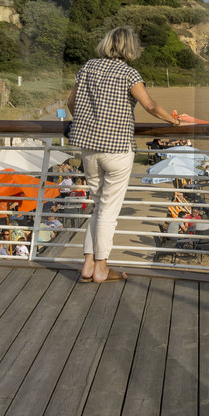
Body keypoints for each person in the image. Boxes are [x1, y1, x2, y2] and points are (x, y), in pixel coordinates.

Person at [67, 25, 173, 284]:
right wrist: (174, 121)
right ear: (131, 48)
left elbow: (71, 103)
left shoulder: (88, 67)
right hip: (116, 149)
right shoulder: (128, 73)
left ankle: (88, 265)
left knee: (98, 206)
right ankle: (101, 268)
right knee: (108, 211)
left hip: (89, 148)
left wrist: (89, 125)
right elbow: (149, 105)